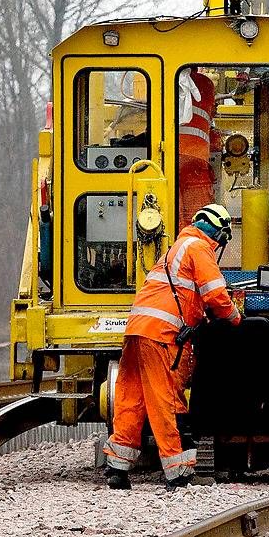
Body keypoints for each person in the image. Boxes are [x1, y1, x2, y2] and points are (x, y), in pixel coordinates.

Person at [103, 203, 241, 491]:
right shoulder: (199, 248)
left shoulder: (176, 248)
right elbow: (216, 294)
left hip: (137, 330)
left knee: (133, 398)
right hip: (160, 334)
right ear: (221, 232)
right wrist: (234, 316)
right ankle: (177, 473)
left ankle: (117, 468)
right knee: (164, 399)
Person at [177, 71, 222, 226]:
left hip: (165, 159)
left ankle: (175, 248)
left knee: (170, 217)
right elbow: (210, 120)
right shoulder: (205, 84)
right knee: (199, 221)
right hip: (195, 160)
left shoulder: (162, 77)